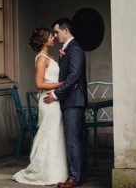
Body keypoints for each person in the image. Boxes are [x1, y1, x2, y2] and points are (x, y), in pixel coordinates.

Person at [13, 27, 68, 185]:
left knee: (54, 134)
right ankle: (43, 171)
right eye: (51, 37)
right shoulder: (42, 58)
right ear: (44, 40)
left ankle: (55, 170)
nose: (53, 38)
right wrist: (61, 84)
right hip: (48, 101)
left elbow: (51, 74)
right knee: (49, 133)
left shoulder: (48, 56)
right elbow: (38, 83)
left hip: (53, 100)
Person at [43, 18, 88, 188]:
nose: (55, 35)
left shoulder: (74, 48)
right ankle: (80, 175)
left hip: (74, 100)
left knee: (73, 140)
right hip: (72, 100)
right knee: (76, 139)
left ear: (65, 30)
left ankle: (74, 177)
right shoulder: (68, 49)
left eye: (56, 32)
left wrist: (55, 94)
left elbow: (73, 77)